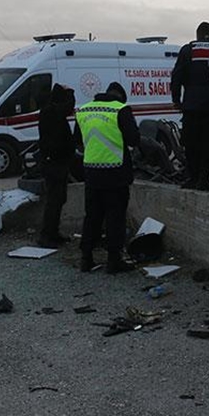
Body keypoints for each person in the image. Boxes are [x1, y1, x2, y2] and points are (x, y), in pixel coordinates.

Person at [74, 82, 140, 274]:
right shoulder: (121, 110)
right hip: (115, 173)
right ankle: (114, 261)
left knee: (92, 217)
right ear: (120, 96)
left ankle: (86, 259)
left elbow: (77, 141)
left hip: (91, 173)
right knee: (115, 218)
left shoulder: (84, 110)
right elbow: (133, 139)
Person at [170, 21, 209, 190]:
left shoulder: (188, 51)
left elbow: (176, 77)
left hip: (191, 106)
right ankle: (203, 179)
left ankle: (193, 177)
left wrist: (176, 100)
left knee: (191, 144)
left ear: (197, 34)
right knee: (208, 144)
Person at [35, 83, 75, 248]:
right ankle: (47, 235)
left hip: (57, 162)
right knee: (54, 200)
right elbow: (67, 108)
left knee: (58, 199)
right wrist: (70, 93)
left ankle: (53, 232)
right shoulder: (51, 112)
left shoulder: (51, 112)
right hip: (54, 163)